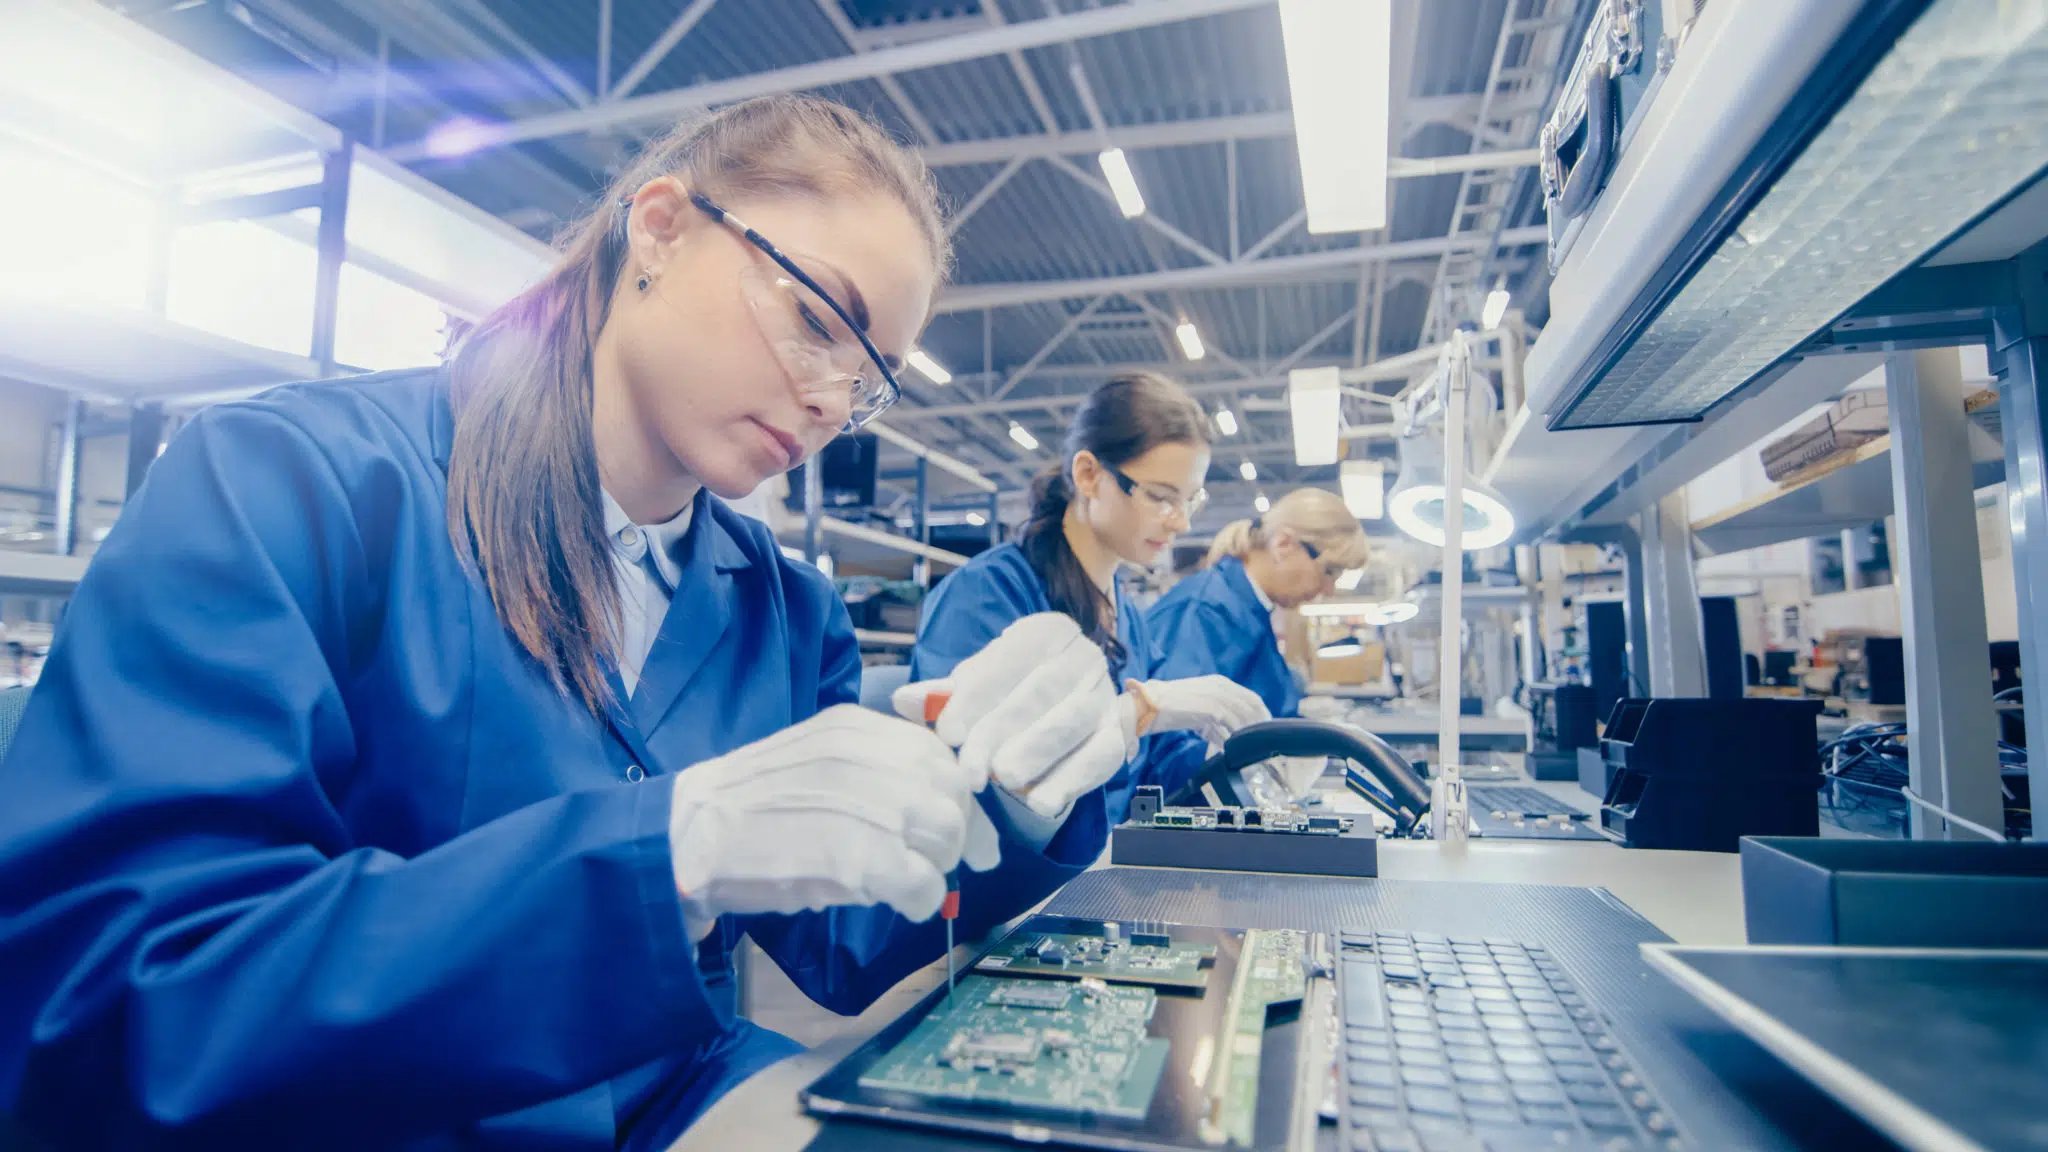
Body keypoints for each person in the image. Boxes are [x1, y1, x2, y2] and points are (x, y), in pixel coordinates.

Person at [0, 95, 1133, 1151]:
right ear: (660, 231)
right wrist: (667, 855)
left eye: (870, 376)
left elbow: (843, 937)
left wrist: (1013, 799)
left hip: (672, 1105)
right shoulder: (288, 485)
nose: (833, 399)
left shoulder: (785, 610)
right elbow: (115, 999)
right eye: (817, 318)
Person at [910, 374, 1270, 822]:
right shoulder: (987, 595)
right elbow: (987, 775)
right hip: (1020, 885)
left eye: (1190, 500)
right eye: (1160, 497)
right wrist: (1136, 713)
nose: (1179, 523)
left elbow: (1154, 769)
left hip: (1105, 869)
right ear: (1088, 474)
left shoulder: (1127, 617)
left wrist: (1227, 757)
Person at [1148, 487, 1370, 720]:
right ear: (1284, 544)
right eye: (1329, 571)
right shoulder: (1205, 611)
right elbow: (1177, 735)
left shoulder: (1250, 610)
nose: (1329, 589)